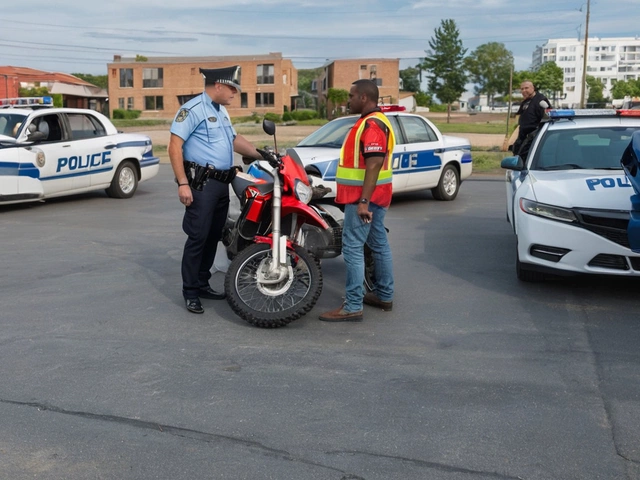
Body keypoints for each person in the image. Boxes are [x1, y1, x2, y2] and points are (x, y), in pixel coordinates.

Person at [169, 66, 261, 314]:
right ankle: (190, 292)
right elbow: (174, 147)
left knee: (213, 236)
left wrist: (260, 153)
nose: (234, 93)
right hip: (200, 185)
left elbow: (233, 140)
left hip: (221, 184)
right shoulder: (192, 109)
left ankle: (202, 283)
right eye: (232, 88)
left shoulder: (221, 112)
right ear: (218, 86)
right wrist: (182, 183)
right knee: (198, 237)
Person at [319, 79, 395, 322]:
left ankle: (353, 305)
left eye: (351, 96)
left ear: (363, 97)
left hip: (364, 199)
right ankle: (384, 295)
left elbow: (374, 164)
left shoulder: (372, 125)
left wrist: (363, 201)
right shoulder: (373, 122)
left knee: (353, 247)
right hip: (377, 196)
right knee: (378, 244)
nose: (348, 100)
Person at [512, 80, 551, 158]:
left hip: (534, 137)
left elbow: (547, 118)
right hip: (523, 136)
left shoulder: (541, 100)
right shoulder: (525, 101)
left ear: (533, 88)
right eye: (522, 89)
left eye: (526, 88)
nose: (524, 91)